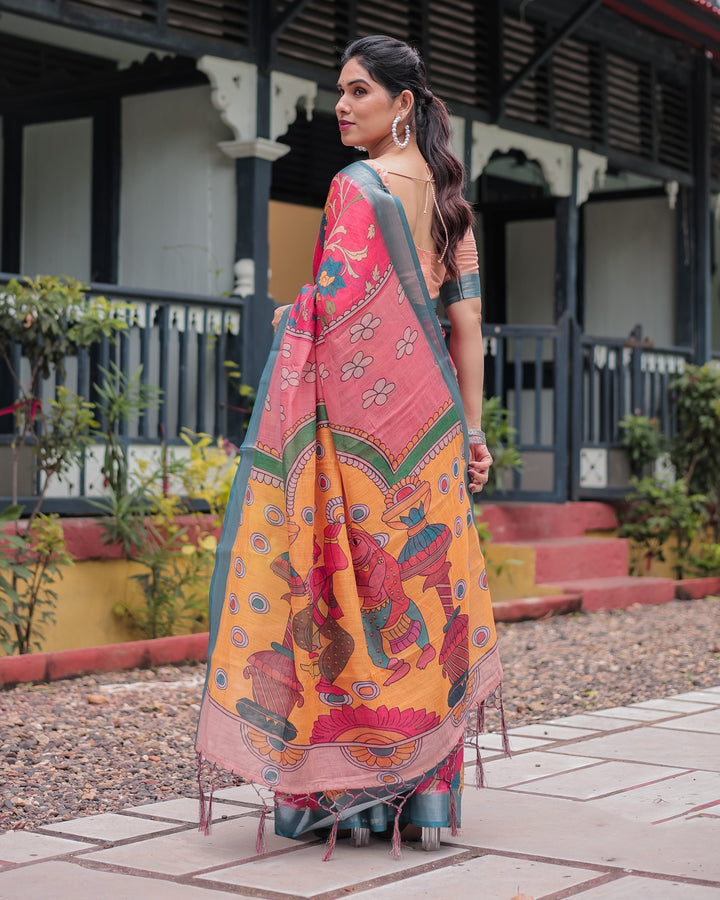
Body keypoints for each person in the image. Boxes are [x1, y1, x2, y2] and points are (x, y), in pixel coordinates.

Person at [196, 34, 506, 859]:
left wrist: (287, 319)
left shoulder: (354, 188)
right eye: (340, 90)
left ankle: (348, 798)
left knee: (347, 598)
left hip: (360, 444)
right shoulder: (449, 199)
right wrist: (472, 432)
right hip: (430, 434)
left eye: (360, 91)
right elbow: (467, 326)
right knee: (417, 604)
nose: (343, 104)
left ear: (401, 105)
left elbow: (330, 319)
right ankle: (420, 803)